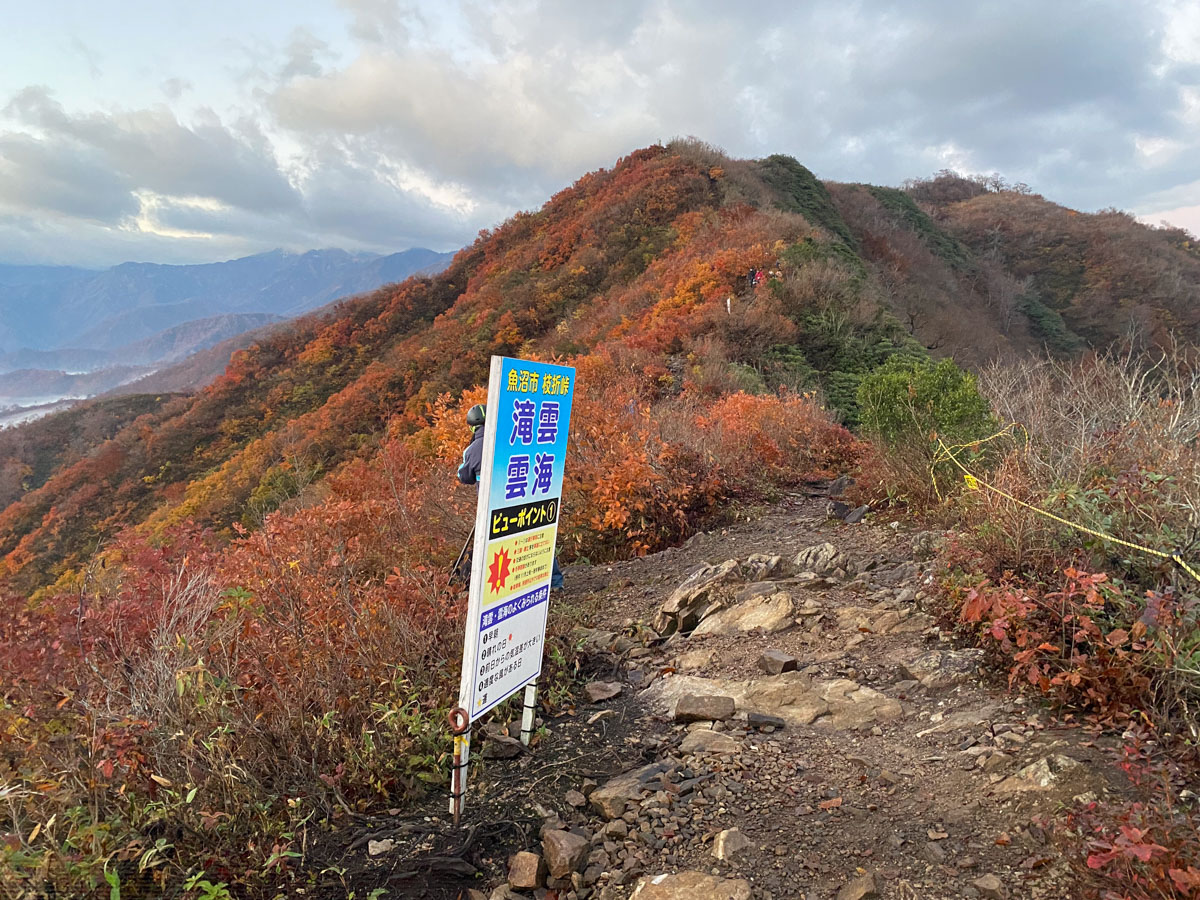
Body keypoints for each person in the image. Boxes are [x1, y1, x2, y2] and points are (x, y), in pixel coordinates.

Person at [456, 404, 563, 589]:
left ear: (472, 426)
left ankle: (503, 588)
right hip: (525, 496)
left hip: (494, 506)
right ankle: (554, 583)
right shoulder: (511, 438)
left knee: (496, 546)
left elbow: (464, 476)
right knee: (536, 535)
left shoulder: (472, 450)